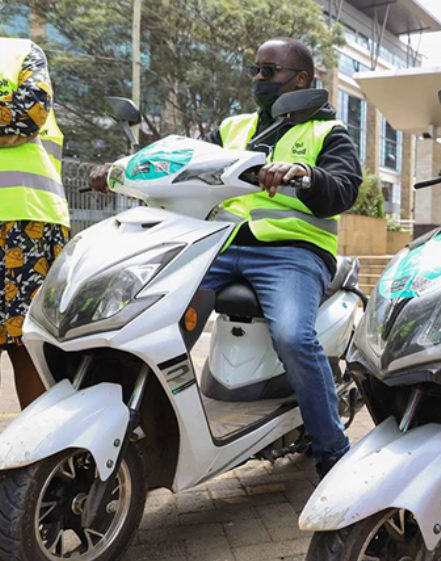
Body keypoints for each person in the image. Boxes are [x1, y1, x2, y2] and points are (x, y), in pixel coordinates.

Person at [91, 38, 363, 477]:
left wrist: (305, 174)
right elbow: (177, 161)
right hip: (218, 245)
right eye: (255, 69)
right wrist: (121, 168)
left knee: (294, 337)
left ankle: (333, 450)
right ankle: (137, 416)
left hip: (291, 252)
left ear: (301, 79)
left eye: (269, 71)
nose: (259, 78)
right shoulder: (233, 128)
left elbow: (345, 188)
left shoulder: (328, 132)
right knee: (145, 308)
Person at [0, 0, 70, 440]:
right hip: (24, 220)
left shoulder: (21, 51)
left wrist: (13, 123)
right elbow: (13, 118)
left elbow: (29, 115)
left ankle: (41, 470)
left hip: (29, 223)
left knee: (29, 349)